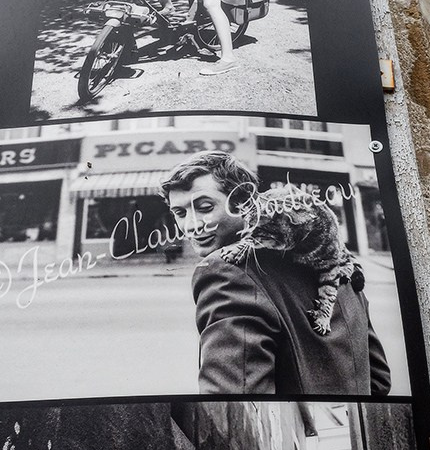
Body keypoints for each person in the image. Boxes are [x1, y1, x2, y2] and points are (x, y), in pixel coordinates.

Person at [159, 151, 392, 396]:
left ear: (243, 203)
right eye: (180, 213)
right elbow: (378, 380)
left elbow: (236, 396)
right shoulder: (340, 261)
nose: (192, 225)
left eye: (206, 207)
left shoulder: (227, 271)